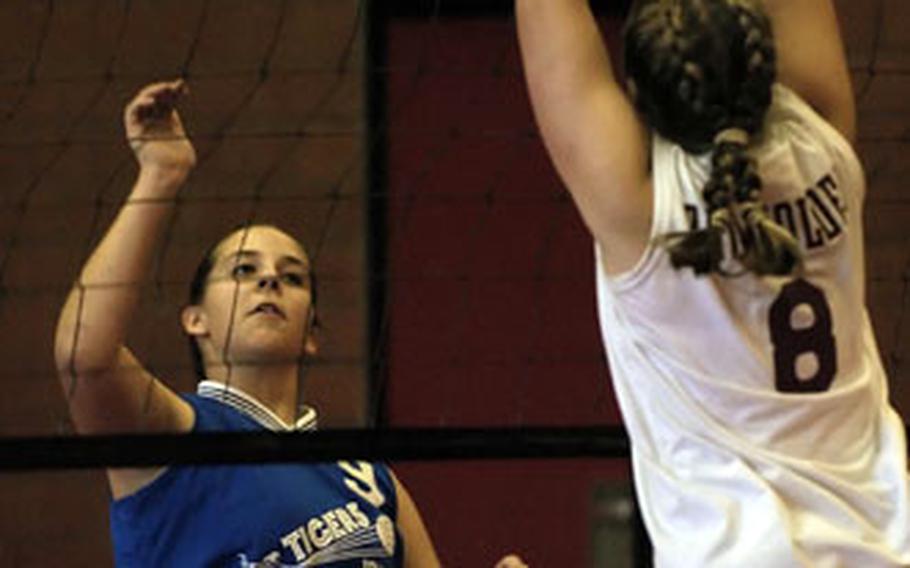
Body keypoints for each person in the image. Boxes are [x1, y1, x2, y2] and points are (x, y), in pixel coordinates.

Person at [54, 80, 527, 568]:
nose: (269, 281)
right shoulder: (174, 435)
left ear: (312, 334)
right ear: (195, 320)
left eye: (293, 276)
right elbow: (82, 357)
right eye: (244, 270)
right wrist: (161, 176)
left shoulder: (370, 477)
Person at [516, 0, 910, 566]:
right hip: (882, 544)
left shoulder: (640, 211)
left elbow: (555, 47)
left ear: (639, 96)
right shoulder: (825, 143)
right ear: (763, 66)